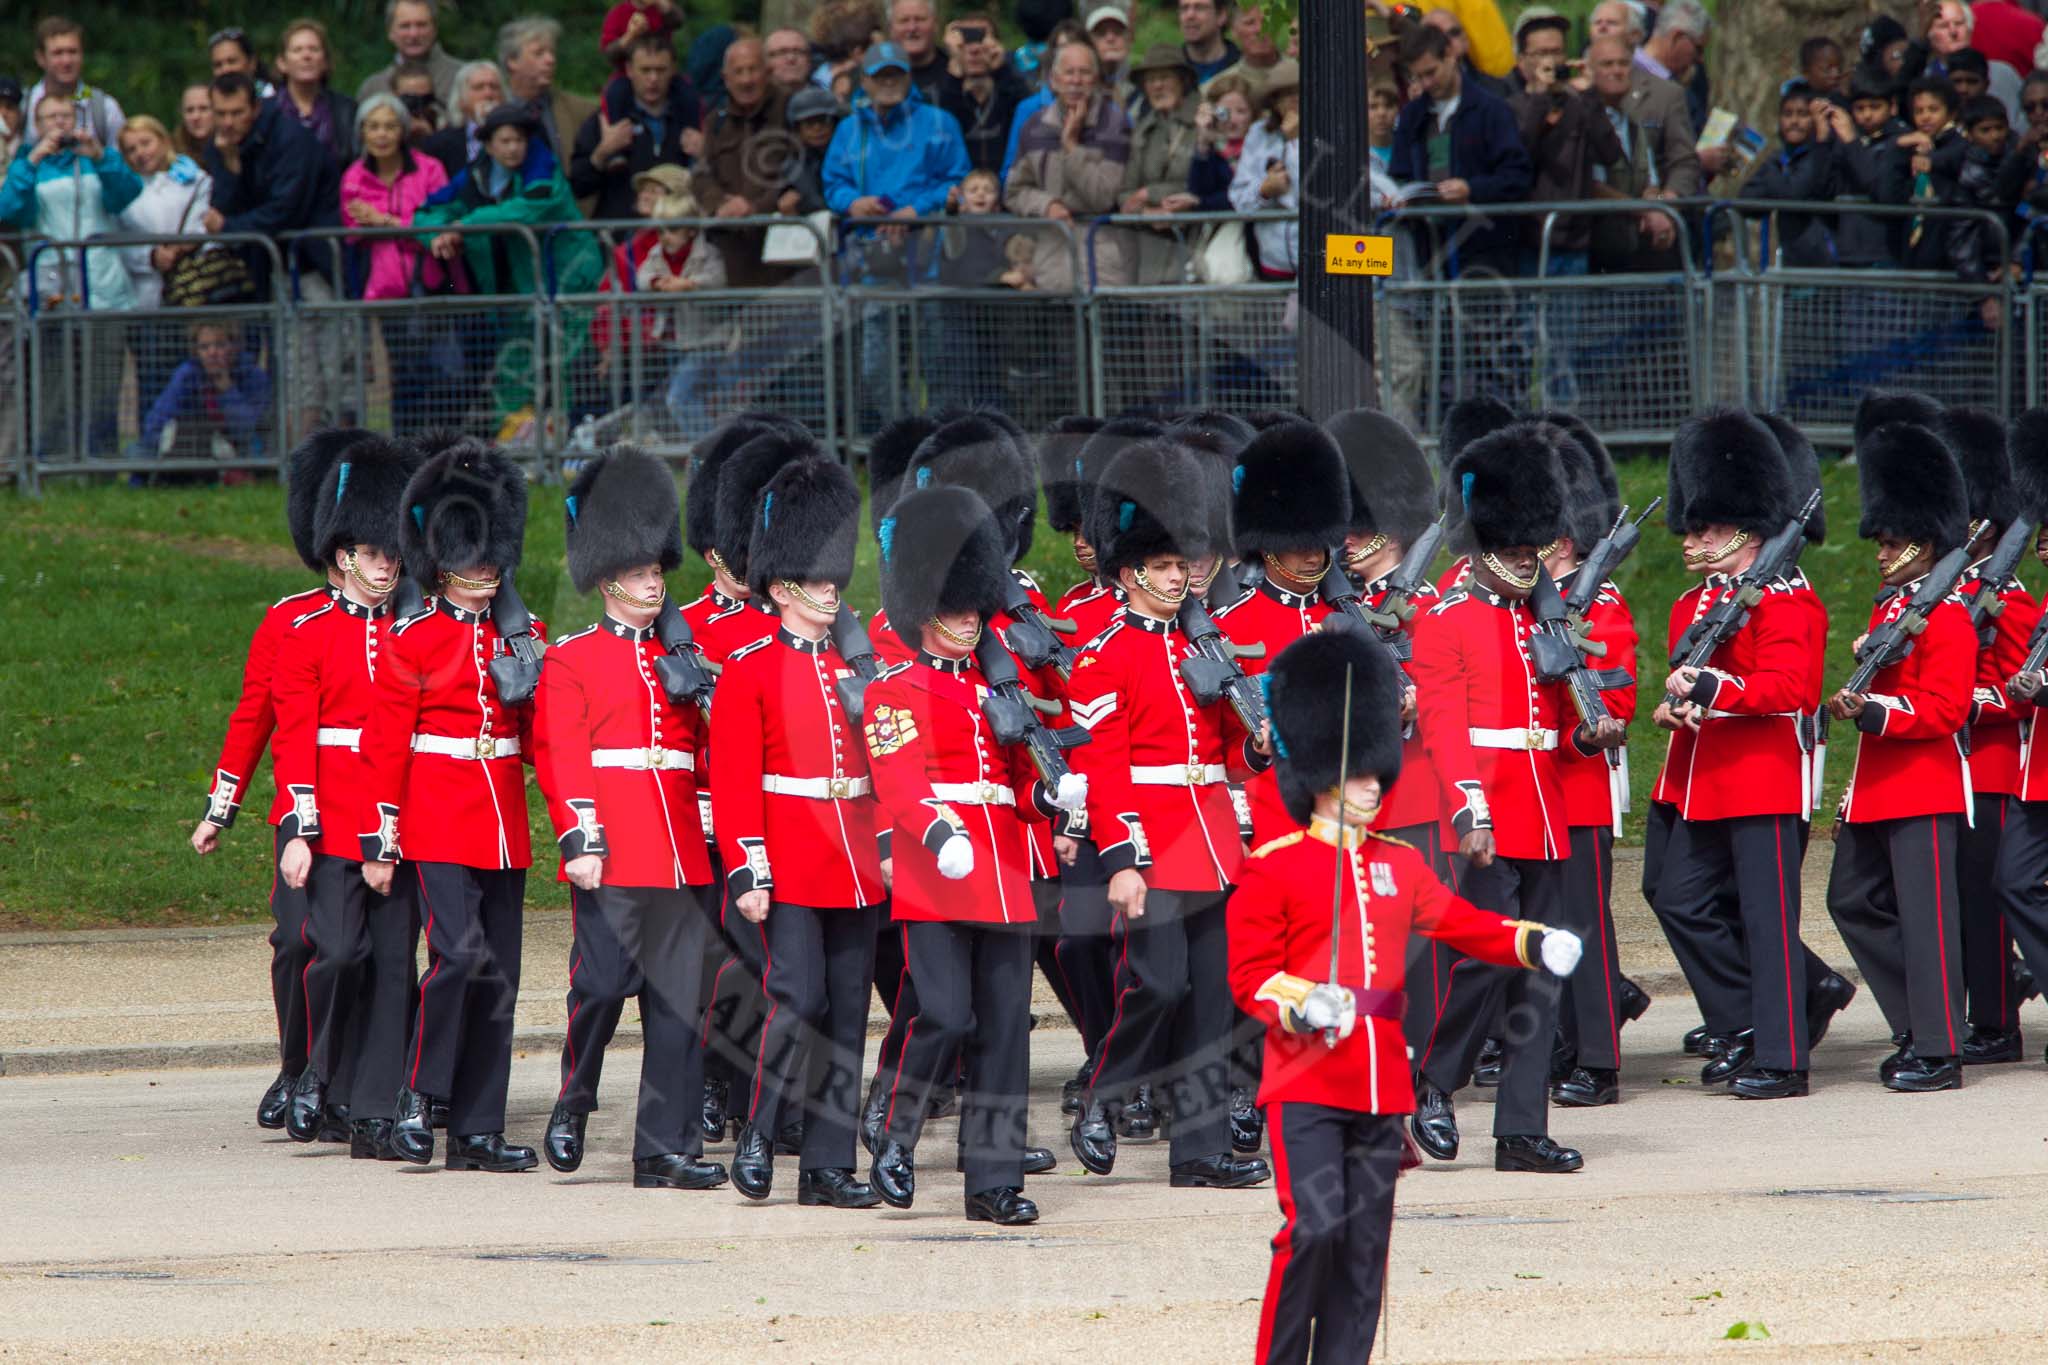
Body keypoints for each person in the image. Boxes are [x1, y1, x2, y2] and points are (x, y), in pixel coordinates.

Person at [1232, 628, 1583, 1365]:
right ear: (1324, 773)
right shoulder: (1275, 866)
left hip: (1380, 1084)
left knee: (1366, 1253)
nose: (1372, 783)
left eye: (1374, 770)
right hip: (1306, 1082)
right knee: (1313, 1231)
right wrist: (1304, 1001)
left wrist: (1532, 941)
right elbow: (1251, 973)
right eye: (1359, 772)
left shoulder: (1399, 863)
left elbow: (1467, 925)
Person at [1406, 422, 1625, 1173]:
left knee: (1543, 967)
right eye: (1520, 550)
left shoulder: (1546, 619)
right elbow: (1442, 723)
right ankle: (1432, 1079)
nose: (1532, 561)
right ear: (1486, 546)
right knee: (1488, 959)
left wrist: (1589, 738)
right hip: (1484, 810)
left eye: (1537, 550)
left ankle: (1520, 1129)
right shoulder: (1447, 620)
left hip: (1545, 810)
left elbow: (1557, 730)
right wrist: (1470, 805)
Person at [864, 484, 1083, 1224]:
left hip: (1004, 873)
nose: (966, 618)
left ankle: (993, 1181)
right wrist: (938, 834)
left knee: (1003, 1031)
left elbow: (1020, 785)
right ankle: (894, 1137)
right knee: (947, 1017)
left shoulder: (1002, 689)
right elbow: (898, 781)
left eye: (972, 605)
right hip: (937, 873)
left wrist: (1058, 797)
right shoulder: (896, 690)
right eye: (953, 607)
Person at [1063, 435, 1274, 1191]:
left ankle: (1201, 1149)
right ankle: (1101, 1095)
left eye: (1184, 563)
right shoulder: (1103, 653)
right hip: (1152, 838)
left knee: (1213, 999)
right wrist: (1122, 857)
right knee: (1157, 983)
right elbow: (1101, 766)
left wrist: (1255, 740)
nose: (1181, 576)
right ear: (1129, 573)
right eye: (1164, 565)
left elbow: (1225, 753)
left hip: (1212, 833)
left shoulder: (1204, 643)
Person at [532, 446, 728, 1191]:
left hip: (680, 846)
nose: (656, 582)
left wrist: (706, 694)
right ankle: (574, 1098)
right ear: (610, 578)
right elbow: (565, 754)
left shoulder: (688, 657)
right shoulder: (572, 658)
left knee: (679, 1004)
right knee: (604, 986)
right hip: (611, 847)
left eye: (658, 571)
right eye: (643, 573)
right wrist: (580, 836)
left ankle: (664, 1148)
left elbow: (711, 758)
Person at [360, 439, 546, 1169]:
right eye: (473, 557)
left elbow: (542, 745)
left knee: (498, 973)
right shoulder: (414, 640)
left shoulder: (521, 640)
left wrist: (533, 682)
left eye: (492, 557)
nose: (487, 569)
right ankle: (418, 1094)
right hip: (437, 818)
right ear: (443, 562)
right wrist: (382, 839)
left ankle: (478, 1130)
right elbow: (385, 745)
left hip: (503, 821)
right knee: (457, 956)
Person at [710, 452, 888, 1209]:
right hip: (789, 857)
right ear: (782, 587)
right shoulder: (750, 669)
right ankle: (758, 1131)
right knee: (798, 999)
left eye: (833, 579)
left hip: (854, 859)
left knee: (848, 1011)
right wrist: (749, 868)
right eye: (817, 582)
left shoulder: (858, 669)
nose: (831, 591)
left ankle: (826, 1165)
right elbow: (734, 780)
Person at [191, 430, 360, 1127]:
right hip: (303, 808)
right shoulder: (289, 619)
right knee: (295, 941)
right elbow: (251, 719)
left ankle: (351, 1077)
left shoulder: (399, 619)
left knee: (370, 952)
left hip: (376, 812)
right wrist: (221, 806)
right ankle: (297, 1064)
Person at [268, 435, 419, 1150]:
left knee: (393, 963)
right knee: (332, 952)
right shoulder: (303, 628)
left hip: (401, 815)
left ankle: (374, 1105)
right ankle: (311, 1071)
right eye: (372, 551)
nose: (386, 563)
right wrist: (298, 826)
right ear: (341, 554)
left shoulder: (415, 629)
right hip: (329, 813)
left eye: (393, 551)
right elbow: (292, 733)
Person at [1825, 417, 1977, 1092]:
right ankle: (1917, 1018)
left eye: (1893, 541)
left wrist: (1877, 709)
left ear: (1926, 541)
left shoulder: (1946, 617)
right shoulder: (1892, 611)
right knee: (1850, 899)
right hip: (1879, 784)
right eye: (1881, 540)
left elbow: (1946, 708)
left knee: (1927, 919)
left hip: (1923, 783)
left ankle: (1940, 1046)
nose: (1882, 552)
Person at [1928, 406, 2037, 1065]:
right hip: (1955, 761)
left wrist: (1956, 699)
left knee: (1985, 896)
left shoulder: (2011, 595)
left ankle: (1997, 1022)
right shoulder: (1954, 591)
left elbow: (2016, 691)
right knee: (1966, 899)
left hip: (1993, 761)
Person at [1540, 422, 1641, 1107]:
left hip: (1578, 786)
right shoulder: (1535, 603)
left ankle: (1599, 1058)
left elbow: (1616, 694)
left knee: (1584, 926)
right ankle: (1564, 1042)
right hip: (1536, 788)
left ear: (1566, 541)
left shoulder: (1596, 604)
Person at [415, 104, 602, 418]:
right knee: (515, 366)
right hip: (515, 289)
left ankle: (576, 439)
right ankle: (516, 443)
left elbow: (530, 209)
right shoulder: (475, 177)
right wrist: (437, 236)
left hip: (568, 279)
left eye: (519, 140)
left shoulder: (543, 168)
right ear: (489, 145)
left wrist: (467, 223)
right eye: (505, 141)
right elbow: (426, 212)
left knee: (571, 363)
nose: (514, 148)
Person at [2, 90, 141, 459]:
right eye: (50, 118)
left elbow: (128, 193)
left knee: (103, 380)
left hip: (102, 284)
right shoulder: (28, 165)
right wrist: (32, 160)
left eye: (66, 116)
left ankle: (102, 459)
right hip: (52, 286)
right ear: (37, 124)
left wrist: (100, 155)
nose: (59, 124)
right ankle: (53, 460)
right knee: (52, 379)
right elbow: (9, 209)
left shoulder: (96, 162)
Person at [342, 95, 456, 435]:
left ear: (403, 131)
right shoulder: (354, 176)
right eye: (373, 126)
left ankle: (440, 443)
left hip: (431, 281)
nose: (382, 135)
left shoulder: (429, 169)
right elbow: (351, 230)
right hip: (385, 288)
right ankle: (405, 449)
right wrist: (404, 225)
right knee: (403, 371)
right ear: (362, 132)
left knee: (440, 368)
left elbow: (438, 217)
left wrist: (384, 222)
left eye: (390, 126)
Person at [1389, 27, 1532, 276]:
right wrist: (1395, 195)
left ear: (1451, 55)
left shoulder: (1493, 110)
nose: (1426, 84)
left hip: (1483, 249)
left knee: (1482, 313)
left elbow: (1517, 176)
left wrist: (1471, 189)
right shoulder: (1412, 115)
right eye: (1417, 77)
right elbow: (1400, 173)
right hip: (1427, 250)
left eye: (1431, 72)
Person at [1006, 39, 1131, 292]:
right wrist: (1046, 205)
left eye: (1084, 73)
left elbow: (1103, 197)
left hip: (1102, 269)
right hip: (1049, 267)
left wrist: (1071, 146)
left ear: (1095, 79)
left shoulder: (1115, 124)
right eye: (1069, 72)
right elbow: (1013, 191)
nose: (1076, 81)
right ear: (1054, 80)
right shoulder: (1034, 126)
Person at [117, 116, 211, 407]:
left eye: (146, 143)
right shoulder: (124, 192)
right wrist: (151, 256)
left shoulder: (193, 178)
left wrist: (181, 247)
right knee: (152, 377)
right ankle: (151, 442)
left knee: (198, 378)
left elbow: (202, 220)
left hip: (190, 293)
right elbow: (118, 241)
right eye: (131, 150)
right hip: (146, 299)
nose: (141, 153)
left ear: (164, 141)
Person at [1585, 37, 1700, 273]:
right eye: (1607, 64)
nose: (1617, 71)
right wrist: (1646, 210)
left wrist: (1660, 210)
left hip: (1636, 251)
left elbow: (1651, 183)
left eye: (1623, 64)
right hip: (1597, 254)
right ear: (1590, 71)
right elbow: (1593, 186)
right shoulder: (1582, 120)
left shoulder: (1635, 125)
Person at [570, 32, 704, 223]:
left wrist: (705, 155)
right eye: (645, 70)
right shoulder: (605, 121)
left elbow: (718, 183)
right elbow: (578, 187)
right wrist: (601, 154)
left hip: (675, 236)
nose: (653, 78)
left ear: (673, 70)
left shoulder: (692, 119)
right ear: (630, 70)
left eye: (661, 70)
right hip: (620, 239)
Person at [693, 36, 793, 287]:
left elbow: (799, 171)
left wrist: (755, 207)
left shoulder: (789, 110)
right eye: (738, 72)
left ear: (768, 72)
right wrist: (720, 204)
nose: (746, 80)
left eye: (753, 70)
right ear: (726, 79)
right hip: (731, 254)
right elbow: (701, 175)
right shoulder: (716, 121)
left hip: (782, 253)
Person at [1119, 45, 1202, 285]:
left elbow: (1206, 182)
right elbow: (1125, 194)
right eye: (1151, 80)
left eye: (1164, 78)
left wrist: (1151, 193)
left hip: (1196, 242)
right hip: (1151, 250)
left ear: (1183, 81)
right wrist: (1146, 213)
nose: (1157, 86)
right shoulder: (1143, 130)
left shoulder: (1203, 121)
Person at [138, 320, 273, 460]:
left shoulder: (253, 375)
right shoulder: (187, 374)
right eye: (204, 347)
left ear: (234, 347)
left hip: (240, 447)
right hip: (192, 444)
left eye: (220, 345)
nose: (212, 353)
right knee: (137, 453)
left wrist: (227, 389)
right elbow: (156, 421)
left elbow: (247, 429)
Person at [1739, 82, 1839, 268]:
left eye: (1802, 114)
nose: (1794, 121)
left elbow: (1794, 195)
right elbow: (1746, 199)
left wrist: (1773, 178)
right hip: (1791, 261)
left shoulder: (1820, 156)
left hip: (1822, 263)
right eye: (1787, 114)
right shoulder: (1778, 160)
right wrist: (1776, 179)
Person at [1227, 59, 1300, 279]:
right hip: (1275, 261)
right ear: (1274, 101)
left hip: (1327, 260)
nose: (1294, 100)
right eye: (1286, 94)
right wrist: (1264, 191)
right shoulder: (1259, 134)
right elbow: (1239, 200)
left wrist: (1294, 142)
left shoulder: (1336, 129)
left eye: (1300, 91)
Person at [500, 16, 597, 168]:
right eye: (539, 53)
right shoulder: (496, 109)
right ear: (512, 61)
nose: (550, 59)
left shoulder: (578, 110)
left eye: (552, 52)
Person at [939, 13, 1026, 175]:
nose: (974, 48)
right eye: (966, 41)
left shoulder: (1010, 87)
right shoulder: (946, 90)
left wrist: (1001, 68)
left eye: (981, 38)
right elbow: (943, 128)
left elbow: (1025, 116)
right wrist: (954, 75)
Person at [26, 16, 124, 146]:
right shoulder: (25, 105)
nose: (67, 61)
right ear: (40, 58)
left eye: (73, 52)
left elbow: (121, 162)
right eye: (58, 53)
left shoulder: (105, 107)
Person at [358, 0, 468, 109]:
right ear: (390, 32)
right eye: (405, 26)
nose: (414, 34)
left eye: (421, 25)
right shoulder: (373, 88)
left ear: (435, 29)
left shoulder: (466, 80)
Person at [421, 61, 507, 179]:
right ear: (461, 100)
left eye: (494, 87)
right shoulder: (438, 143)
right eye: (479, 87)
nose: (488, 94)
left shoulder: (523, 135)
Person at [1208, 1, 1282, 97]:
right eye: (1249, 23)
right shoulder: (1217, 89)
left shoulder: (1300, 74)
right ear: (1234, 31)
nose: (1260, 29)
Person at [888, 0, 949, 101]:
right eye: (904, 20)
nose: (912, 28)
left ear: (935, 24)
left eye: (920, 19)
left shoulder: (955, 71)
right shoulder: (874, 76)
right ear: (891, 28)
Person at [602, 0, 684, 74]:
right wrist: (630, 35)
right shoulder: (618, 13)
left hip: (663, 73)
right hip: (627, 75)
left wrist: (664, 6)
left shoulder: (660, 8)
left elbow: (678, 22)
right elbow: (610, 54)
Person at [207, 29, 278, 103]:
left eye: (232, 61)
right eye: (218, 65)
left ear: (251, 63)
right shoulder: (206, 102)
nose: (225, 69)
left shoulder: (272, 97)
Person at [1178, 0, 1240, 84]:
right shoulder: (1170, 69)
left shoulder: (1243, 67)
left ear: (1221, 15)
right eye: (1184, 8)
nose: (1189, 15)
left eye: (1199, 8)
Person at [390, 62, 445, 145]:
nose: (419, 105)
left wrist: (433, 137)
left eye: (425, 99)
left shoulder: (443, 118)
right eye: (410, 99)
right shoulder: (381, 119)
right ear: (394, 95)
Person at [766, 29, 818, 94]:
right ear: (767, 61)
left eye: (798, 51)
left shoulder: (825, 100)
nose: (791, 58)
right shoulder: (755, 100)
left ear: (809, 61)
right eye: (782, 52)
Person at [174, 83, 213, 162]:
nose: (196, 117)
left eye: (203, 109)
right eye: (189, 110)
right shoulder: (172, 153)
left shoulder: (233, 148)